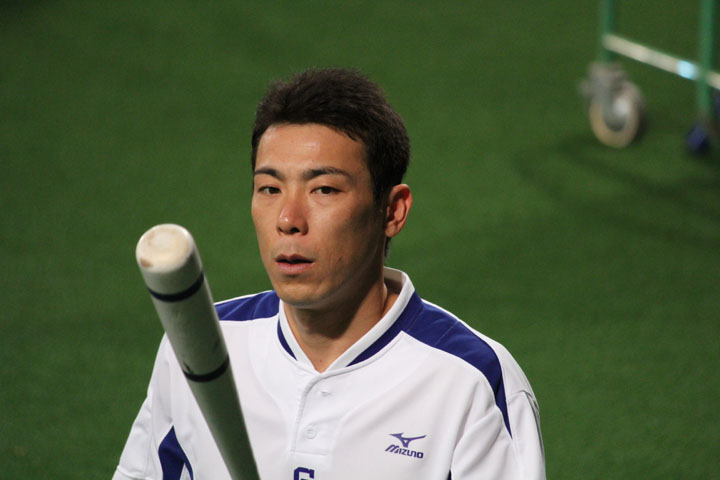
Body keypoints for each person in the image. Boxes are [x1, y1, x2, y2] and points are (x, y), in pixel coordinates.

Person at [112, 68, 546, 480]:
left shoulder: (470, 381)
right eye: (269, 188)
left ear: (392, 211)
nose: (288, 219)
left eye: (324, 189)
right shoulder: (201, 342)